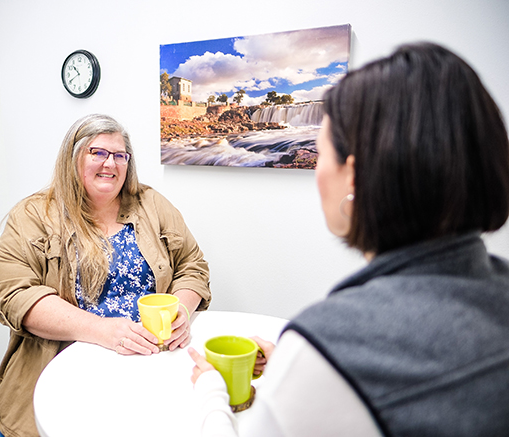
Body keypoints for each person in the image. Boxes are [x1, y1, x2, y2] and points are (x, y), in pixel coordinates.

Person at [190, 42, 509, 436]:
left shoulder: (333, 347)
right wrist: (301, 375)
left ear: (354, 177)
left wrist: (211, 391)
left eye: (320, 153)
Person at [0, 114, 211, 437]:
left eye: (120, 155)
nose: (110, 163)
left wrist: (182, 308)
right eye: (97, 152)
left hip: (148, 371)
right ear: (73, 156)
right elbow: (13, 296)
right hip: (64, 377)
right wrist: (101, 330)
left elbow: (192, 264)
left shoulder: (153, 205)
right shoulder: (31, 216)